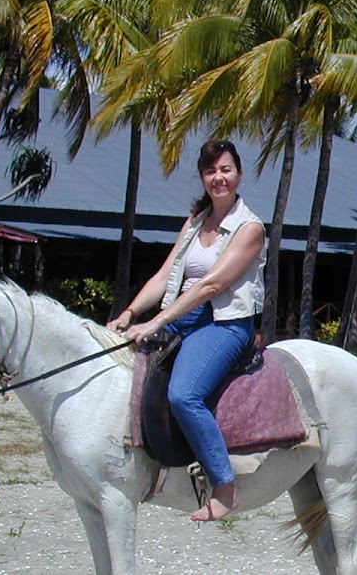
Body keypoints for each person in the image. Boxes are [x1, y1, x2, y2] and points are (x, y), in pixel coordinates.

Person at [107, 139, 266, 522]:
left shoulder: (250, 228)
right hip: (184, 315)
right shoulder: (195, 222)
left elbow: (211, 286)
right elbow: (165, 276)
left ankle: (223, 486)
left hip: (225, 323)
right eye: (211, 171)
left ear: (239, 174)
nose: (219, 178)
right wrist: (129, 313)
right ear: (203, 177)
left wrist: (157, 322)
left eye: (226, 169)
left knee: (184, 395)